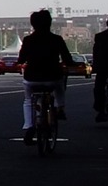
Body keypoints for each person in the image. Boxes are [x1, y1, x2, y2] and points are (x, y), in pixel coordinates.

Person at [17, 9, 77, 144]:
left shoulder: (28, 40)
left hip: (32, 78)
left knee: (28, 100)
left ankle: (29, 126)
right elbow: (67, 59)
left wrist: (21, 62)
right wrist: (72, 64)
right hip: (53, 77)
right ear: (49, 23)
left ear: (33, 24)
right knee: (60, 86)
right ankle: (60, 107)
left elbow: (21, 59)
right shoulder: (57, 39)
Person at [94, 16, 108, 122]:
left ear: (107, 24)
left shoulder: (100, 36)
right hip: (104, 68)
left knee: (99, 88)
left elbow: (96, 53)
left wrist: (95, 67)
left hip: (103, 68)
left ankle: (100, 110)